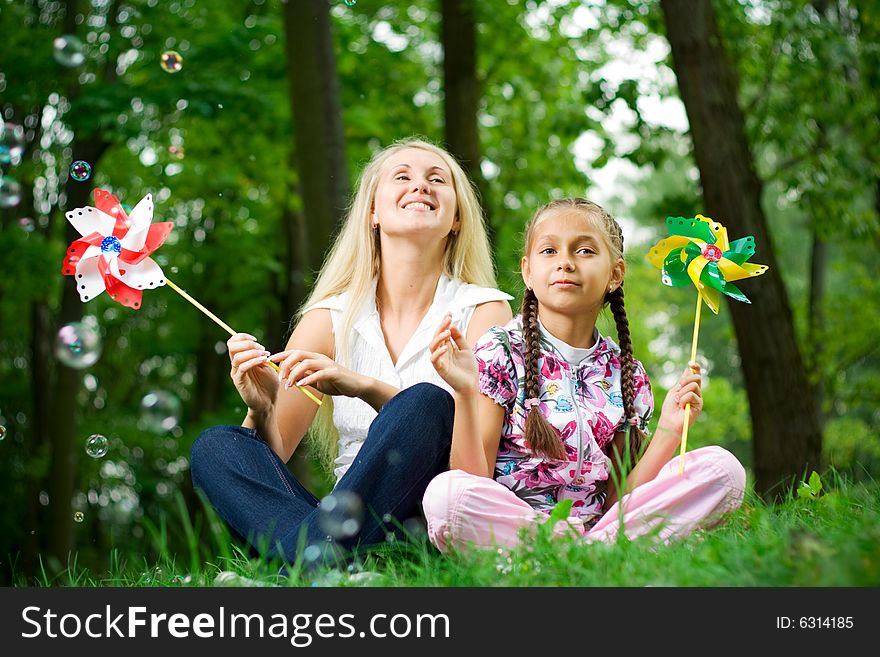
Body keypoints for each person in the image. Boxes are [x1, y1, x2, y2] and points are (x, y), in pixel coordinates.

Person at [190, 138, 512, 561]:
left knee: (427, 403)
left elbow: (475, 473)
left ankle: (303, 565)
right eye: (402, 177)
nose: (421, 186)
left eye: (437, 179)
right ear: (373, 212)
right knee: (217, 446)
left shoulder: (485, 310)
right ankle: (319, 562)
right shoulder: (329, 317)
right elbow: (269, 462)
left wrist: (362, 386)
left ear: (456, 219)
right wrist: (261, 409)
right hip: (347, 525)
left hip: (431, 524)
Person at [422, 197, 745, 552]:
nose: (565, 262)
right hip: (517, 524)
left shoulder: (627, 376)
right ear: (528, 272)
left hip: (601, 527)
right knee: (446, 495)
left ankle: (584, 555)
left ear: (615, 274)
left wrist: (671, 429)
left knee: (724, 470)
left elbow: (619, 503)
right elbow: (474, 478)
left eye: (585, 251)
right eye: (549, 251)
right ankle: (592, 555)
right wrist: (466, 393)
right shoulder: (501, 350)